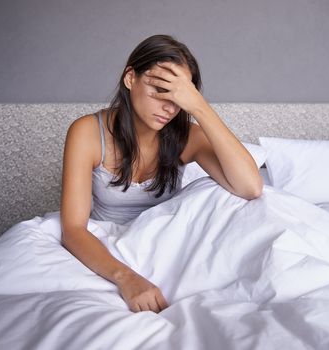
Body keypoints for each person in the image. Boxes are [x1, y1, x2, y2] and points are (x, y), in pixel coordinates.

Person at [60, 35, 263, 314]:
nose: (170, 107)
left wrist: (199, 107)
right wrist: (126, 278)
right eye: (160, 90)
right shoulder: (87, 132)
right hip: (110, 250)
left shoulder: (187, 136)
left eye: (179, 97)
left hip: (165, 246)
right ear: (130, 78)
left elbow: (251, 187)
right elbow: (72, 229)